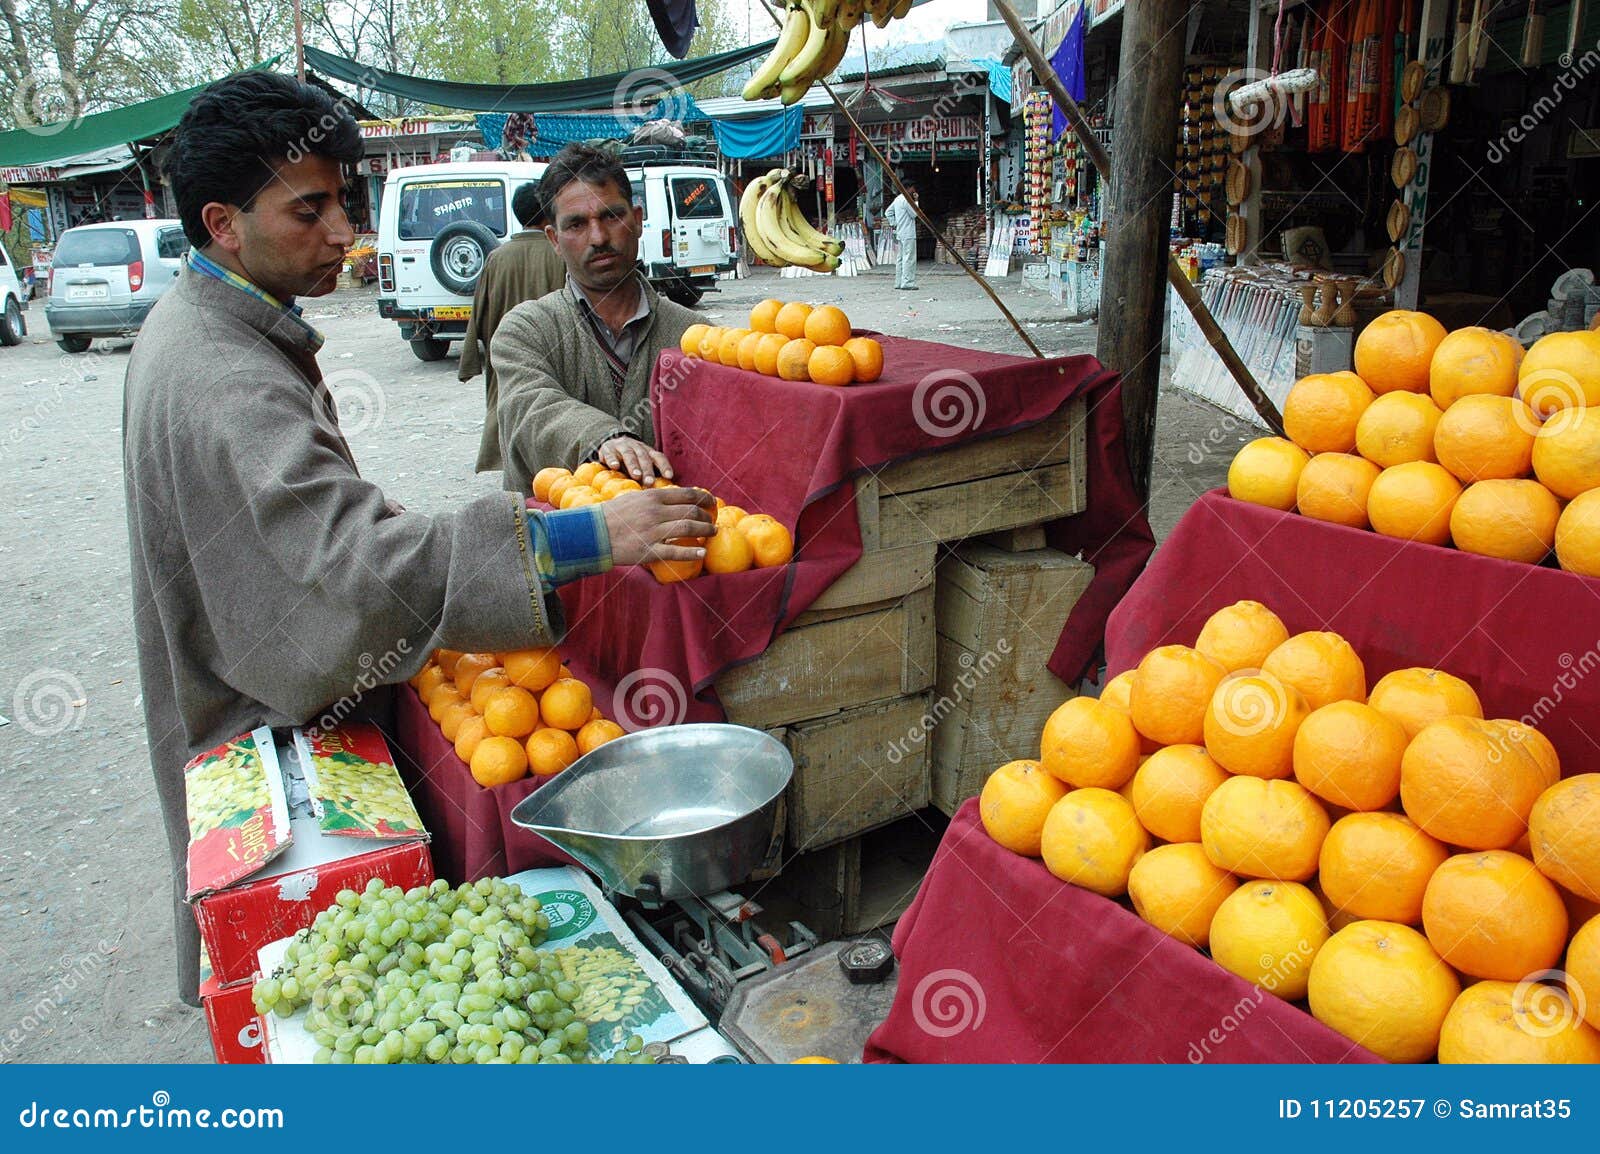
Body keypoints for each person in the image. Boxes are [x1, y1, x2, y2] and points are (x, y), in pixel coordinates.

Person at [122, 73, 714, 1004]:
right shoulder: (221, 375)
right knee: (318, 1003)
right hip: (263, 733)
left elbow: (303, 521)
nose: (343, 233)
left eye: (344, 203)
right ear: (221, 223)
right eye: (308, 209)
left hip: (254, 711)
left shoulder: (208, 326)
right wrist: (580, 538)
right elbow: (345, 572)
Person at [490, 143, 698, 494]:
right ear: (554, 239)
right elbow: (529, 407)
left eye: (611, 217)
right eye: (576, 225)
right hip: (562, 544)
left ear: (637, 219)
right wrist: (603, 438)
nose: (599, 237)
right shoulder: (524, 330)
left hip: (678, 543)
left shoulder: (693, 335)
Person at [458, 180, 566, 476]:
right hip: (555, 356)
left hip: (506, 361)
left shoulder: (497, 258)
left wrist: (469, 361)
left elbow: (478, 313)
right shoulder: (562, 254)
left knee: (512, 415)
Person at [885, 181, 920, 290]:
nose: (913, 191)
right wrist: (916, 201)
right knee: (909, 258)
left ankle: (898, 282)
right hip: (908, 233)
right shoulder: (907, 200)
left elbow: (888, 212)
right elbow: (915, 214)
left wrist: (894, 223)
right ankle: (907, 282)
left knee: (900, 258)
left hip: (900, 232)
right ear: (908, 188)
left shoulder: (898, 199)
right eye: (912, 188)